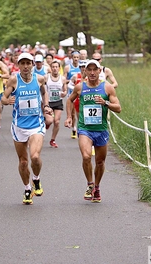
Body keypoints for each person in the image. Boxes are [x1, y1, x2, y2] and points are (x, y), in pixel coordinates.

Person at [64, 59, 121, 203]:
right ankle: (90, 184)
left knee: (100, 162)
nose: (92, 72)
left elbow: (118, 108)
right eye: (89, 69)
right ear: (85, 72)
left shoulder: (107, 88)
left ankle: (97, 186)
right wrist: (69, 117)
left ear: (99, 71)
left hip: (101, 129)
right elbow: (70, 100)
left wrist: (105, 103)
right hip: (85, 129)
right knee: (86, 156)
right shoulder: (80, 87)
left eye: (94, 69)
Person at [1, 53, 53, 205]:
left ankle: (36, 179)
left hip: (36, 125)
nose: (25, 66)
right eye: (22, 63)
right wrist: (7, 100)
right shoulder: (13, 80)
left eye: (28, 63)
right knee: (23, 162)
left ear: (32, 64)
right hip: (19, 126)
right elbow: (3, 98)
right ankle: (27, 188)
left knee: (35, 157)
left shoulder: (39, 78)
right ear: (18, 65)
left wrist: (47, 105)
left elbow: (44, 92)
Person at [45, 60, 67, 148]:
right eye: (53, 67)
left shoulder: (62, 78)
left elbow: (65, 90)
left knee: (57, 122)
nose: (54, 69)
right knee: (49, 120)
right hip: (48, 102)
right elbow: (42, 89)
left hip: (58, 101)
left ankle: (52, 140)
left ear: (59, 68)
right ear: (51, 68)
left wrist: (64, 93)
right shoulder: (46, 77)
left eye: (56, 67)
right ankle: (46, 123)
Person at [64, 50, 81, 139]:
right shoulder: (68, 68)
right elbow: (64, 79)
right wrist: (71, 81)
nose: (76, 59)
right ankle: (74, 128)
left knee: (78, 112)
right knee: (73, 113)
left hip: (79, 94)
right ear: (72, 58)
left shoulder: (82, 67)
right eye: (74, 57)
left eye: (77, 57)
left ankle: (78, 129)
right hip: (71, 93)